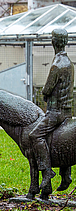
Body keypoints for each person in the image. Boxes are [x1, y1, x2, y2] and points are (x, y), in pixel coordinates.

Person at [30, 28, 74, 189]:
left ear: (53, 42)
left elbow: (47, 89)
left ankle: (47, 171)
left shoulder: (57, 64)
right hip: (68, 111)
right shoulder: (69, 63)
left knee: (34, 135)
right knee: (62, 138)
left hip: (55, 113)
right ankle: (66, 175)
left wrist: (44, 94)